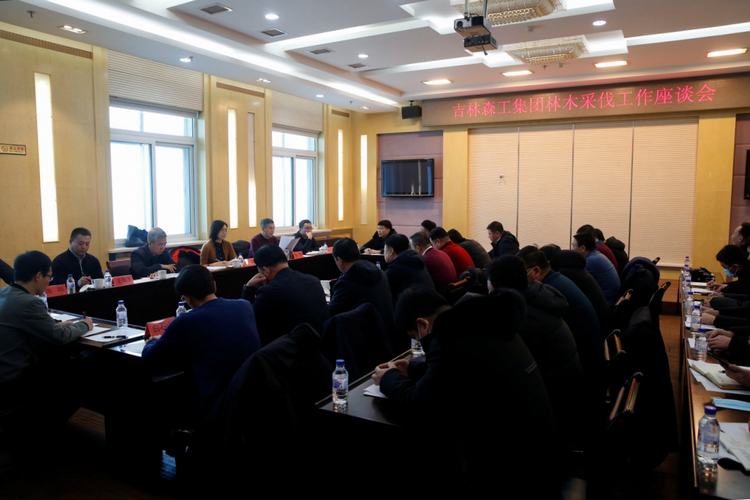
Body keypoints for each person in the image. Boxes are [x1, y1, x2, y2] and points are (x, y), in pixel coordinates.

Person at [372, 287, 561, 489]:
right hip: (540, 449)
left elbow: (422, 403)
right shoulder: (483, 322)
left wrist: (388, 378)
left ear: (422, 324)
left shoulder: (449, 338)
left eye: (417, 337)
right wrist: (412, 367)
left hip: (510, 467)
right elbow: (456, 373)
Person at [486, 255, 587, 452]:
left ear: (498, 287)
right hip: (568, 396)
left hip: (554, 412)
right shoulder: (539, 296)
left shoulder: (522, 317)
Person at [0, 251, 92, 451]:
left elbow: (36, 327)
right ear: (38, 276)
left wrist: (56, 326)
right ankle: (41, 434)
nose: (50, 281)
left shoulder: (5, 294)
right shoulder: (30, 302)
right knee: (80, 379)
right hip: (13, 379)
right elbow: (59, 337)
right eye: (49, 276)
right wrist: (85, 325)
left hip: (4, 370)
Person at [142, 265, 260, 418]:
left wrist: (151, 342)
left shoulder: (186, 321)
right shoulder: (244, 306)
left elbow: (150, 358)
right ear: (214, 286)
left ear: (187, 298)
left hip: (217, 403)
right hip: (254, 393)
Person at [241, 245, 327, 345]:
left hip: (289, 350)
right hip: (321, 345)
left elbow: (248, 320)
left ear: (265, 270)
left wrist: (248, 289)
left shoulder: (269, 291)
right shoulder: (313, 281)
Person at [329, 238, 399, 351]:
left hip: (365, 341)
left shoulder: (348, 281)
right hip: (388, 334)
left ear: (339, 260)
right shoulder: (377, 270)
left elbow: (332, 312)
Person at [383, 233, 434, 305]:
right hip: (430, 305)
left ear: (391, 251)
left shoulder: (396, 268)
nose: (384, 253)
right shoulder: (415, 259)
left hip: (416, 308)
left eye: (384, 249)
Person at [573, 231, 620, 304]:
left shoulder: (590, 261)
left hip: (606, 302)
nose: (572, 249)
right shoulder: (596, 255)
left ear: (583, 248)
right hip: (612, 298)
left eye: (574, 246)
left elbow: (579, 283)